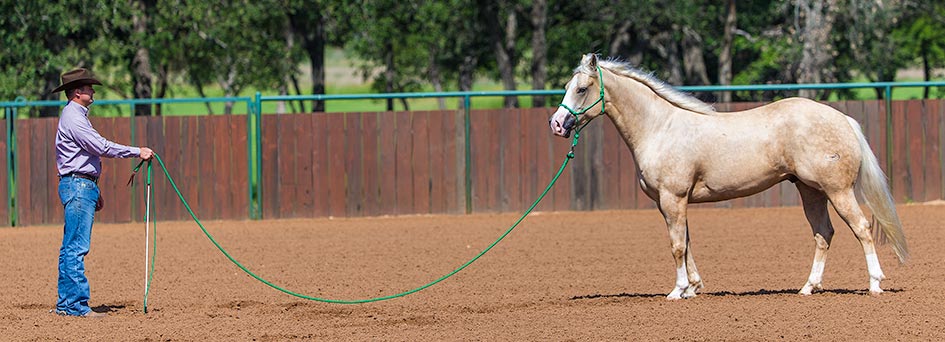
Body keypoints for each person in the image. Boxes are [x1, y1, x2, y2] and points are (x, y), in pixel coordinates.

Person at [51, 68, 153, 318]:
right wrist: (135, 151)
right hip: (79, 184)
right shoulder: (74, 117)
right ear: (77, 92)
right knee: (76, 246)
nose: (92, 91)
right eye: (88, 88)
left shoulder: (73, 115)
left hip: (79, 184)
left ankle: (67, 304)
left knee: (70, 246)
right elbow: (99, 146)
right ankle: (75, 305)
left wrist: (92, 188)